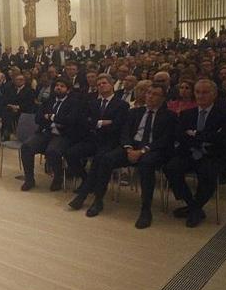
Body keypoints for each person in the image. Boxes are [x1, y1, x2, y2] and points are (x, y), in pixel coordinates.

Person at [69, 85, 177, 229]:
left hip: (152, 150)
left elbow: (165, 139)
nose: (150, 96)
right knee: (106, 159)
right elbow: (125, 132)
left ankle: (146, 209)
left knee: (146, 165)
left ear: (163, 99)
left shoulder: (169, 116)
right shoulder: (135, 112)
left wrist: (143, 151)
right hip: (131, 147)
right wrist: (128, 148)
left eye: (155, 94)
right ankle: (98, 200)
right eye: (149, 93)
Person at [164, 80, 226, 228]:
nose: (201, 96)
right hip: (190, 152)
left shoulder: (224, 113)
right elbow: (181, 136)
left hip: (213, 154)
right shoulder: (187, 113)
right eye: (198, 92)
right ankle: (193, 205)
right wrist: (202, 138)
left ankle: (195, 208)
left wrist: (196, 134)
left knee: (208, 173)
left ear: (214, 94)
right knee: (170, 168)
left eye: (205, 92)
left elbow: (223, 138)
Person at [20, 78, 87, 192]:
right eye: (57, 85)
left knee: (53, 151)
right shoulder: (48, 100)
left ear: (68, 89)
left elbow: (70, 121)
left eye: (62, 86)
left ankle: (58, 177)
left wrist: (51, 117)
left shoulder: (74, 103)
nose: (59, 88)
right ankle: (29, 179)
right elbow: (38, 118)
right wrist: (55, 121)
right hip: (47, 132)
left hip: (63, 135)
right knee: (26, 147)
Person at [64, 75, 129, 189]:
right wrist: (101, 123)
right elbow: (84, 121)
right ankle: (85, 179)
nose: (101, 86)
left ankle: (92, 186)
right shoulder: (93, 103)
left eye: (104, 83)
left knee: (99, 159)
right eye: (99, 85)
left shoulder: (121, 104)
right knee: (70, 153)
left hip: (110, 142)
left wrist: (95, 123)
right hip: (93, 139)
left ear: (112, 84)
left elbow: (117, 125)